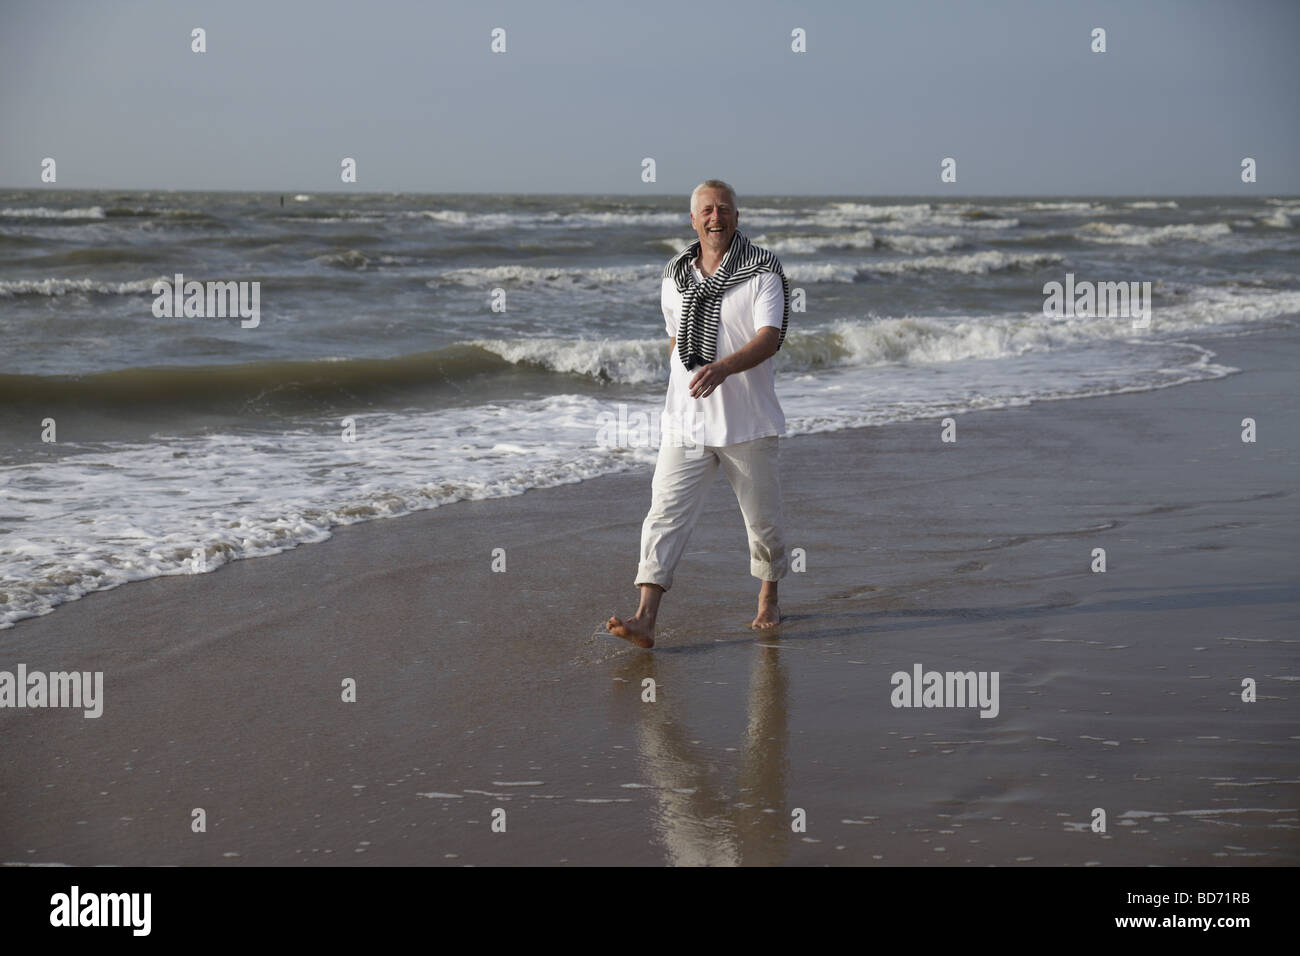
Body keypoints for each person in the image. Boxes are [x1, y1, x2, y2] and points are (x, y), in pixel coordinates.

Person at [607, 180, 790, 648]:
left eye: (724, 209)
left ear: (736, 217)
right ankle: (646, 617)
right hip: (686, 423)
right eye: (706, 210)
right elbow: (675, 339)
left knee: (762, 522)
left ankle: (768, 594)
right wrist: (679, 389)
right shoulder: (674, 275)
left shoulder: (763, 272)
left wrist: (724, 368)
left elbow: (769, 338)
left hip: (747, 422)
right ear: (692, 220)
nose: (715, 217)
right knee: (664, 514)